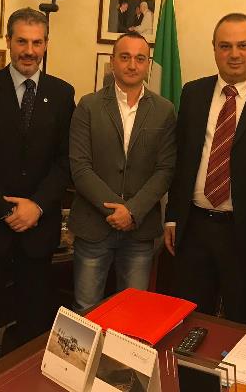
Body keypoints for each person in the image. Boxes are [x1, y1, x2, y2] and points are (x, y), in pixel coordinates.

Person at [0, 8, 75, 374]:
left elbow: (65, 160)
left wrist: (37, 206)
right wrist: (6, 209)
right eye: (22, 41)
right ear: (8, 41)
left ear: (46, 44)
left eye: (36, 42)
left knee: (34, 318)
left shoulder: (62, 93)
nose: (29, 50)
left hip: (38, 229)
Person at [163, 14, 246, 328]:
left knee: (244, 322)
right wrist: (173, 216)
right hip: (194, 228)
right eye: (225, 46)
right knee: (188, 320)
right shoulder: (194, 92)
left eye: (243, 45)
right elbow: (183, 159)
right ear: (214, 49)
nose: (234, 54)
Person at [68, 31, 176, 312]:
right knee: (86, 309)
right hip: (93, 227)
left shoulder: (164, 110)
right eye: (125, 57)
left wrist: (132, 212)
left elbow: (165, 170)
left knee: (133, 311)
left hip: (139, 231)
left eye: (140, 59)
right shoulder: (88, 106)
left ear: (148, 64)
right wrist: (116, 211)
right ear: (113, 61)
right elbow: (80, 167)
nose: (132, 65)